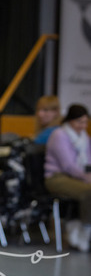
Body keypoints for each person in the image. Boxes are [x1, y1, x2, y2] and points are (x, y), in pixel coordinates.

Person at [44, 104, 91, 253]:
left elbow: (88, 161)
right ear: (70, 120)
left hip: (78, 177)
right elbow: (67, 165)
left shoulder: (84, 137)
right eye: (79, 122)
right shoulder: (59, 135)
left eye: (85, 122)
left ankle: (79, 228)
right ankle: (85, 231)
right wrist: (86, 177)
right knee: (89, 192)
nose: (82, 126)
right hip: (57, 177)